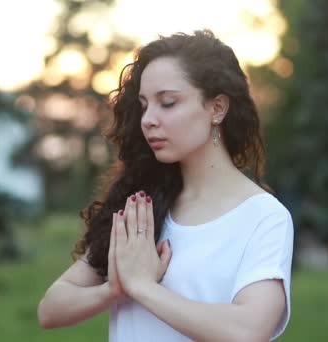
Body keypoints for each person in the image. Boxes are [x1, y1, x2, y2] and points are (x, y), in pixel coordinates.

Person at [37, 29, 294, 341]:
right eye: (145, 105)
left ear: (217, 108)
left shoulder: (264, 217)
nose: (149, 119)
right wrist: (113, 290)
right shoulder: (142, 204)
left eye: (168, 103)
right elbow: (50, 309)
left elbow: (248, 330)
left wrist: (143, 288)